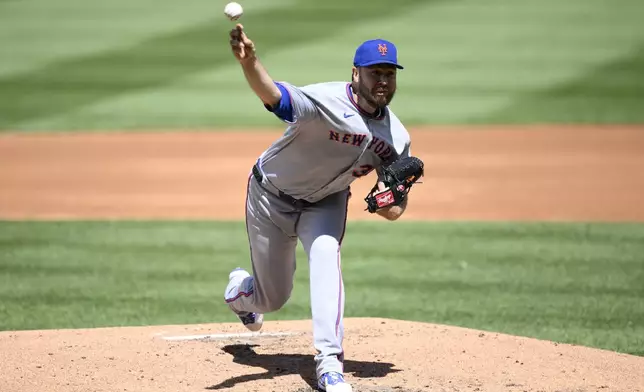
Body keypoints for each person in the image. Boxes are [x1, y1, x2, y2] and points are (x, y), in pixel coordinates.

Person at [223, 23, 413, 392]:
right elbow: (275, 96)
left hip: (325, 203)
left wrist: (388, 201)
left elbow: (394, 210)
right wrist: (250, 62)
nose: (383, 82)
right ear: (356, 73)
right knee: (271, 299)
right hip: (270, 197)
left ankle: (330, 365)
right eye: (376, 73)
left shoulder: (397, 138)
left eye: (389, 75)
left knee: (326, 255)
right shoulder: (323, 101)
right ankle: (239, 291)